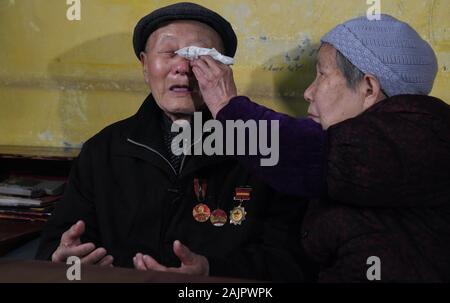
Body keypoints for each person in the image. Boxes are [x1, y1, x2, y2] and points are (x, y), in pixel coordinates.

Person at [35, 2, 311, 282]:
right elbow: (55, 246)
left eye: (200, 56)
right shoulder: (103, 151)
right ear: (145, 65)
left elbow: (290, 262)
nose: (182, 67)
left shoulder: (263, 149)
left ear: (224, 69)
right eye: (169, 53)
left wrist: (210, 272)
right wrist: (61, 260)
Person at [191, 14, 450, 281]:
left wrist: (227, 106)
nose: (308, 92)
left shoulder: (419, 136)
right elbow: (289, 263)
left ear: (369, 88)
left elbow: (307, 152)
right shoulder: (341, 173)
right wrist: (211, 273)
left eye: (322, 74)